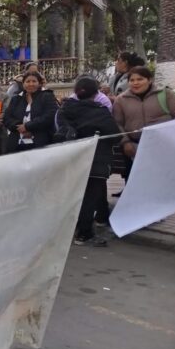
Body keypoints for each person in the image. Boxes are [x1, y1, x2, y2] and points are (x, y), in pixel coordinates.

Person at [56, 77, 121, 247]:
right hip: (96, 160)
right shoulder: (100, 111)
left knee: (73, 196)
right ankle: (84, 233)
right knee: (90, 197)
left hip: (71, 159)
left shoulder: (65, 109)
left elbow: (59, 130)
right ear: (96, 93)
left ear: (76, 92)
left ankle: (68, 230)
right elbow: (115, 135)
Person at [112, 65, 175, 176]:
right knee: (135, 179)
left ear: (149, 80)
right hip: (134, 148)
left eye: (140, 79)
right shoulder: (121, 100)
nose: (135, 83)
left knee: (165, 177)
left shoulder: (166, 95)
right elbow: (117, 123)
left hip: (165, 147)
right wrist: (125, 143)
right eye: (132, 80)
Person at [3, 71, 59, 153]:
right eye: (28, 81)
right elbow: (7, 118)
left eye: (34, 81)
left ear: (39, 83)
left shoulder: (47, 96)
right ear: (23, 84)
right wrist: (20, 127)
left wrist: (28, 127)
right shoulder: (16, 99)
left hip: (40, 143)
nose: (31, 84)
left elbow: (49, 116)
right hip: (17, 144)